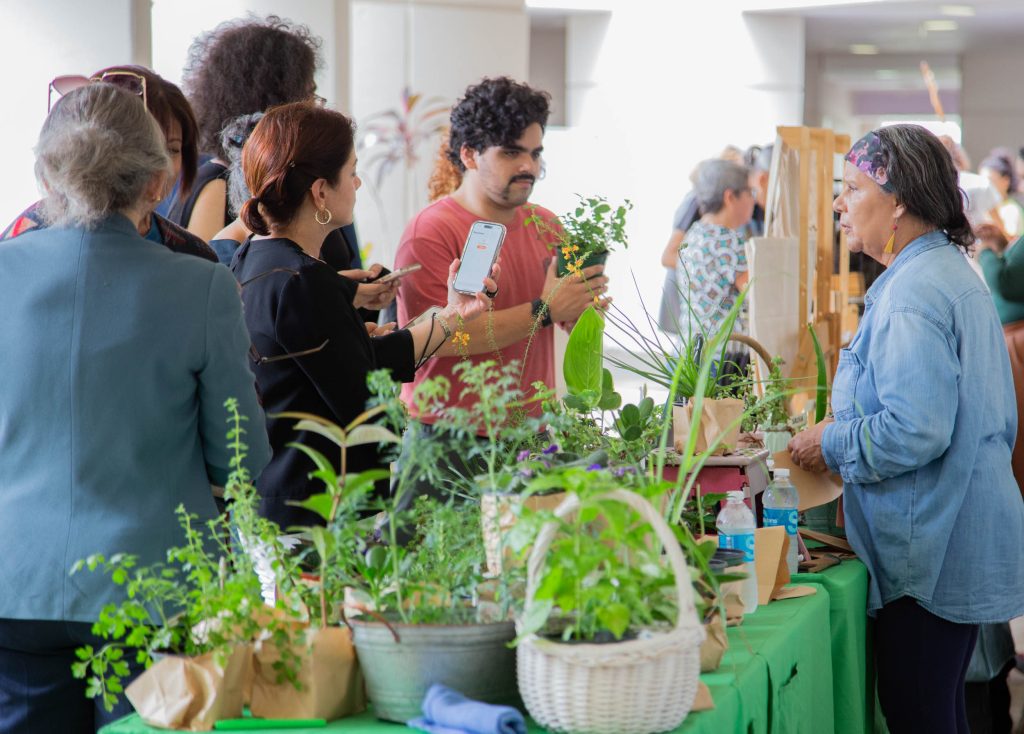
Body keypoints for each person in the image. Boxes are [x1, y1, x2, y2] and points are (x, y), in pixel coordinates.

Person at [0, 84, 270, 733]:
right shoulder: (201, 285)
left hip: (15, 582)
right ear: (158, 181)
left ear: (47, 177)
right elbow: (241, 457)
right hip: (154, 586)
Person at [788, 124, 1024, 734]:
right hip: (950, 532)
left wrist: (830, 441)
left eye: (851, 188)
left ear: (898, 200)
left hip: (932, 544)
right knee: (937, 708)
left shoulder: (914, 294)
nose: (839, 204)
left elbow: (914, 430)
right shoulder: (939, 271)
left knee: (920, 711)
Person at [230, 101, 497, 528]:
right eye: (351, 171)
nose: (357, 183)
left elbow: (309, 372)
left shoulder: (250, 260)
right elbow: (366, 401)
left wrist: (361, 333)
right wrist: (452, 316)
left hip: (277, 499)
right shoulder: (304, 282)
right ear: (320, 191)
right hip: (322, 511)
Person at [394, 76, 606, 425]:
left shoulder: (547, 224)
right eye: (511, 152)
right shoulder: (430, 232)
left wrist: (583, 305)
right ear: (469, 155)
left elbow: (570, 318)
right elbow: (443, 340)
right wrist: (545, 310)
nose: (528, 166)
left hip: (532, 433)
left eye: (534, 153)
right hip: (449, 438)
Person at [1, 65, 216, 263]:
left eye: (172, 150)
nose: (160, 165)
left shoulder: (193, 255)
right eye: (142, 148)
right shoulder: (18, 247)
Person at [169, 15, 322, 242]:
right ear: (278, 103)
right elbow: (207, 273)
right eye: (308, 94)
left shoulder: (241, 181)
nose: (314, 106)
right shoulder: (218, 185)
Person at [675, 158, 754, 349]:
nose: (753, 199)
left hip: (689, 350)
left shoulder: (694, 233)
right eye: (749, 192)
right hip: (720, 359)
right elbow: (758, 294)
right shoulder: (728, 241)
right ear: (730, 197)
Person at [980, 149, 1024, 242]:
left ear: (1006, 181)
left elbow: (1011, 243)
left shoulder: (1011, 209)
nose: (985, 187)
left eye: (990, 181)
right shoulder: (987, 207)